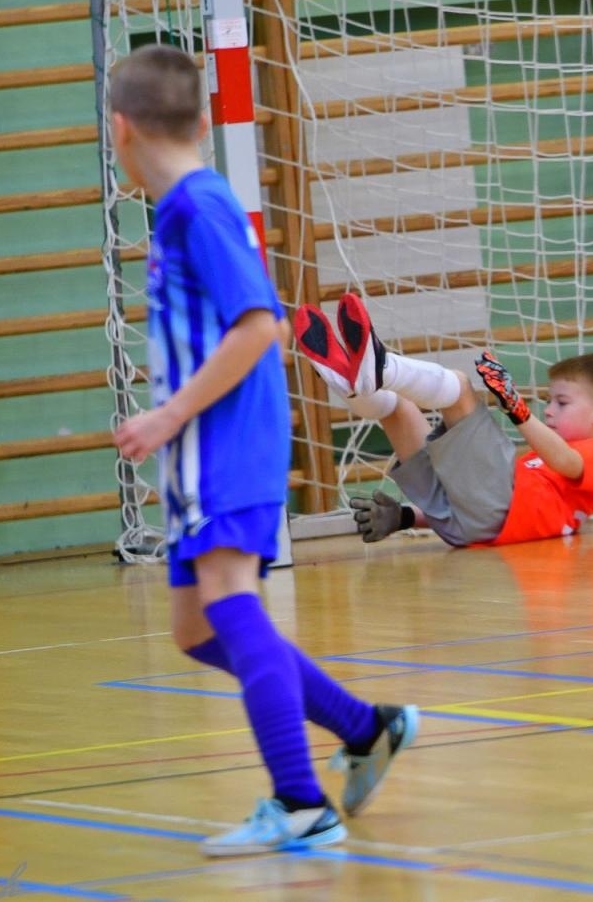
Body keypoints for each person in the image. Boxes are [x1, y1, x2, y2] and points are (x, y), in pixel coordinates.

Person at [108, 44, 417, 853]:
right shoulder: (184, 208)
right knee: (197, 629)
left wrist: (169, 417)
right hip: (203, 452)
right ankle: (364, 727)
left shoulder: (198, 208)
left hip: (222, 443)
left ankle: (299, 803)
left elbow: (260, 326)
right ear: (205, 121)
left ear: (119, 130)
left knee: (231, 604)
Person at [295, 293, 593, 547]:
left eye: (562, 402)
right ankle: (354, 386)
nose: (551, 410)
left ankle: (382, 368)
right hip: (464, 527)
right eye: (548, 401)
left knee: (460, 391)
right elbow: (472, 502)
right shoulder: (537, 465)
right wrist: (406, 517)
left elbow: (565, 460)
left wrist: (518, 410)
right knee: (397, 409)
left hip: (496, 518)